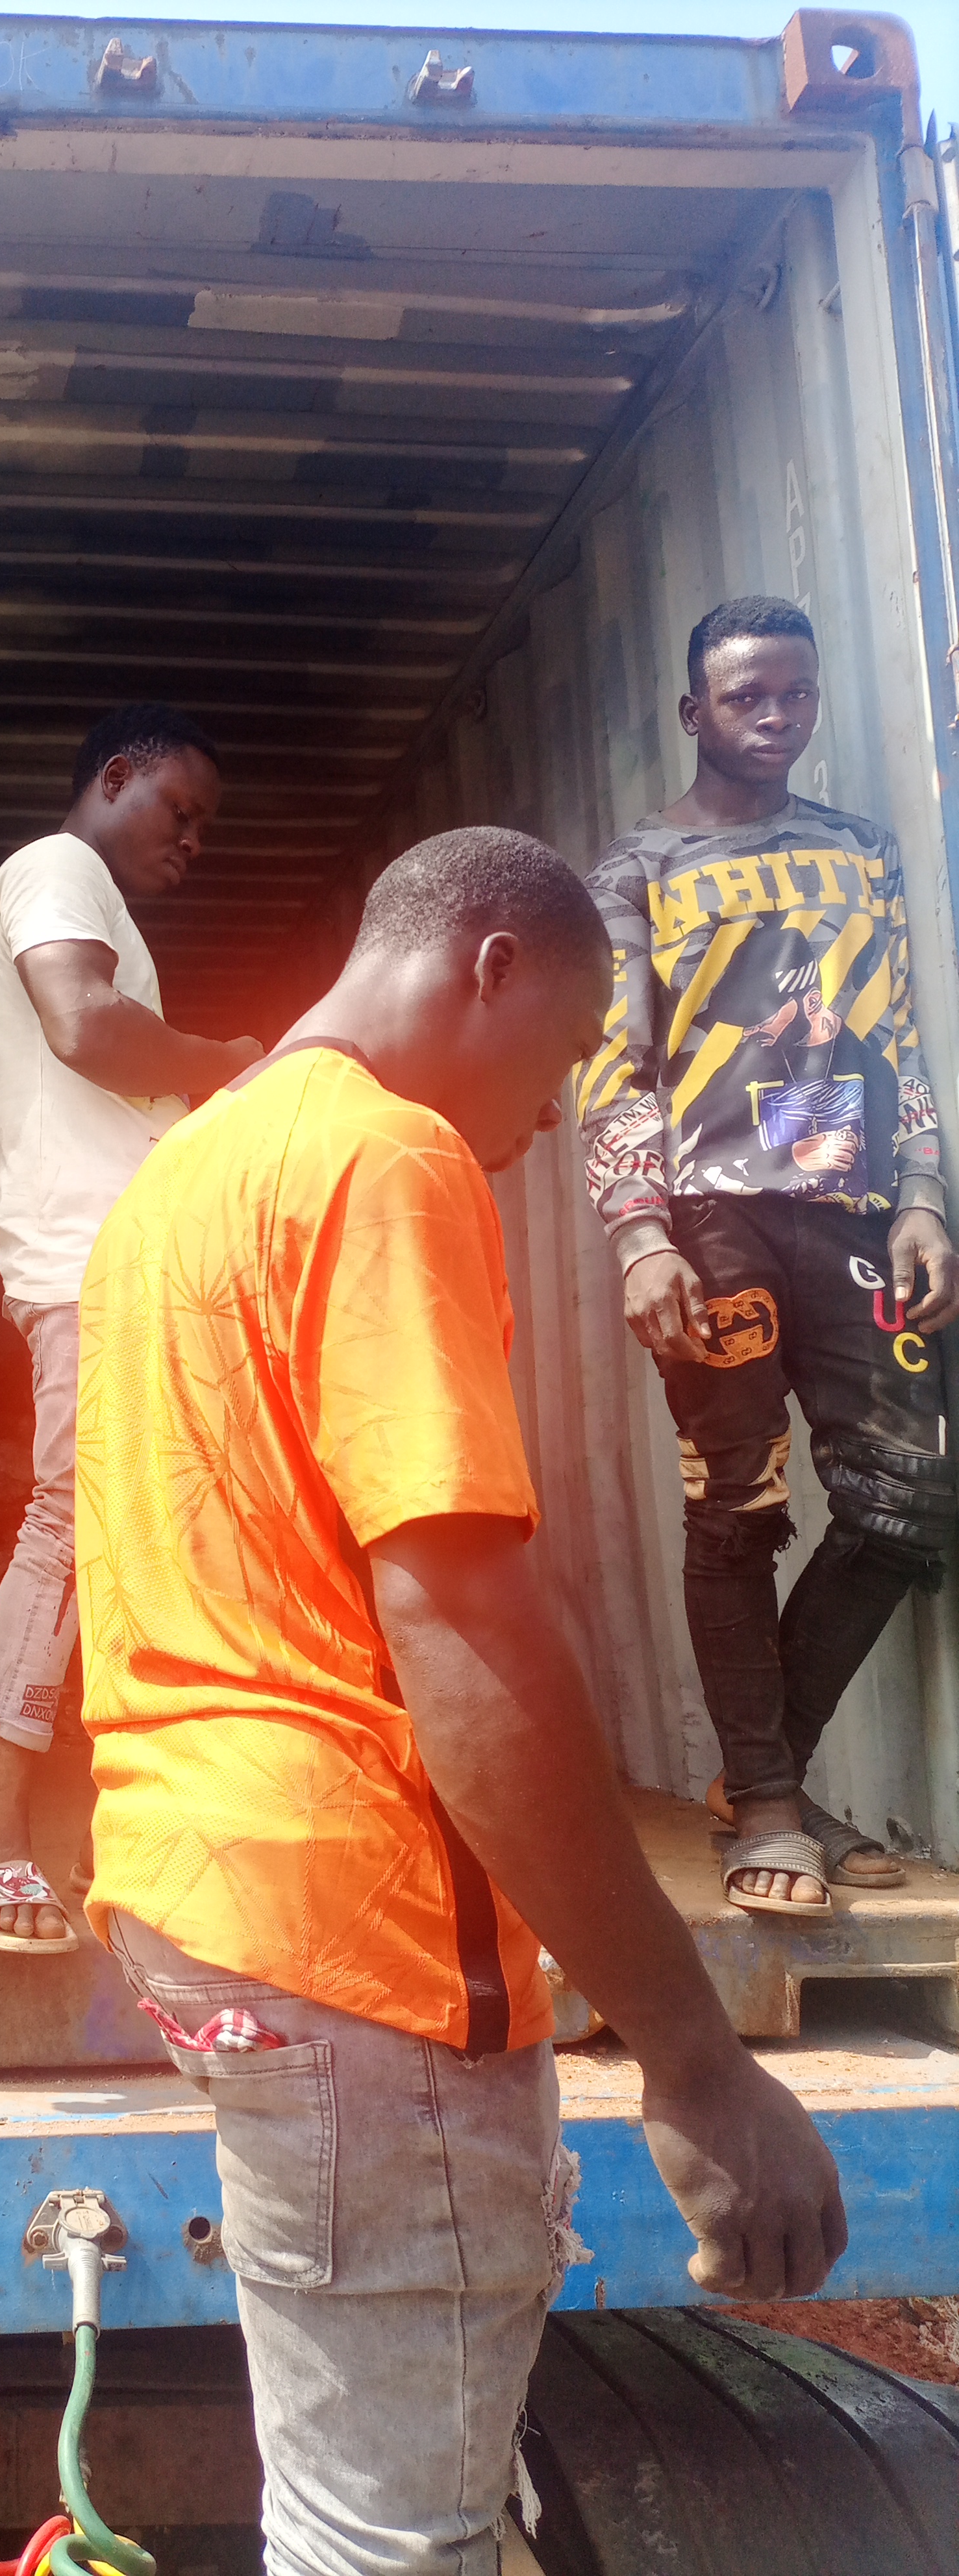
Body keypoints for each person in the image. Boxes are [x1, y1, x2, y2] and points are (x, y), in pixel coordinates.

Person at [76, 825, 845, 2575]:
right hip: (369, 1954)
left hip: (207, 1899)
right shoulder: (383, 1155)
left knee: (351, 2503)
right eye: (572, 1050)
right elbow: (464, 1642)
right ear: (489, 965)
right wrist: (699, 2061)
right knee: (392, 2546)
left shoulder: (180, 1180)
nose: (564, 1111)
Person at [577, 595, 959, 1917]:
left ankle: (760, 1770)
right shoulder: (636, 870)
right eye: (747, 696)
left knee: (913, 1499)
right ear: (696, 712)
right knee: (737, 1506)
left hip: (854, 1213)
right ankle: (775, 1804)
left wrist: (923, 1196)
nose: (776, 715)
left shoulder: (862, 851)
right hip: (709, 1219)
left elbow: (900, 1039)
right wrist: (637, 1235)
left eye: (795, 693)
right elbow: (616, 1064)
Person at [0, 703, 264, 1954]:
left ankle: (118, 1837)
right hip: (90, 1265)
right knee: (70, 1528)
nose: (193, 844)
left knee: (154, 1545)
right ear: (114, 777)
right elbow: (84, 1026)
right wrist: (227, 1060)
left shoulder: (99, 903)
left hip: (127, 1258)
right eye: (180, 813)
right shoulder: (55, 867)